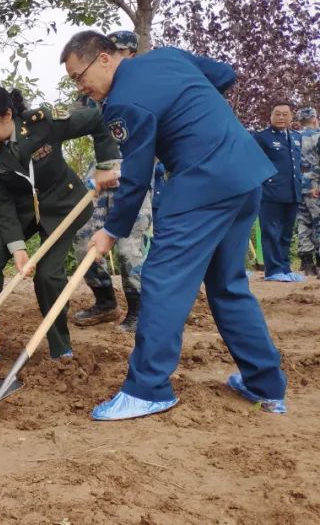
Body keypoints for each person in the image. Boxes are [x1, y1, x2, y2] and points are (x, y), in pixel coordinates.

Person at [62, 30, 287, 421]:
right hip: (244, 176)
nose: (82, 88)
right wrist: (188, 110)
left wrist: (110, 231)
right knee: (228, 285)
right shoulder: (168, 57)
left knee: (163, 281)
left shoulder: (122, 104)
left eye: (79, 77)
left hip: (202, 185)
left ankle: (147, 389)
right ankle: (265, 386)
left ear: (103, 58)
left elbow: (135, 178)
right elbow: (225, 74)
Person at [0, 85, 120, 369]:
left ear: (7, 114)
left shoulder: (42, 124)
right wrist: (18, 248)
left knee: (48, 275)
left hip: (62, 206)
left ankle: (61, 347)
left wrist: (107, 164)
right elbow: (1, 202)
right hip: (19, 213)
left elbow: (96, 120)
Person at [69, 31, 153, 333]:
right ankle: (105, 302)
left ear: (130, 55)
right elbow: (72, 122)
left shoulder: (145, 89)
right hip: (101, 171)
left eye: (123, 52)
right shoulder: (90, 95)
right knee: (84, 238)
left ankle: (139, 309)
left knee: (128, 246)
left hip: (135, 171)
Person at [253, 102, 305, 282]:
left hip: (292, 192)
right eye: (277, 114)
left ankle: (285, 268)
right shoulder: (262, 137)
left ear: (291, 117)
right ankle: (274, 270)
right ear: (271, 116)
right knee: (271, 232)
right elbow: (254, 163)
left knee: (286, 233)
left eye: (285, 114)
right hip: (271, 192)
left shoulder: (296, 137)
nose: (281, 118)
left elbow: (298, 165)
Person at [294, 107, 319, 276]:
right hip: (315, 184)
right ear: (315, 119)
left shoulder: (294, 138)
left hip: (298, 184)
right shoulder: (318, 136)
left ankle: (307, 262)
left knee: (303, 222)